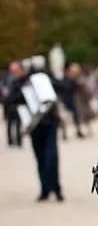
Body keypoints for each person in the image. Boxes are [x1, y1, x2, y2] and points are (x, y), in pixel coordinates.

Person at [4, 56, 65, 201]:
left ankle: (56, 189)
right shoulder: (16, 84)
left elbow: (61, 87)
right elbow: (9, 100)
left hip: (50, 123)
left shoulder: (41, 77)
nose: (16, 73)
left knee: (52, 157)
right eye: (13, 72)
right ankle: (44, 189)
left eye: (17, 70)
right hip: (34, 126)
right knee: (40, 158)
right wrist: (21, 87)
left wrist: (47, 75)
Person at [4, 61, 25, 147]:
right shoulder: (8, 78)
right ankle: (10, 141)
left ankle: (18, 141)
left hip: (17, 103)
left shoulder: (20, 77)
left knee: (18, 123)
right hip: (10, 104)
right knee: (10, 123)